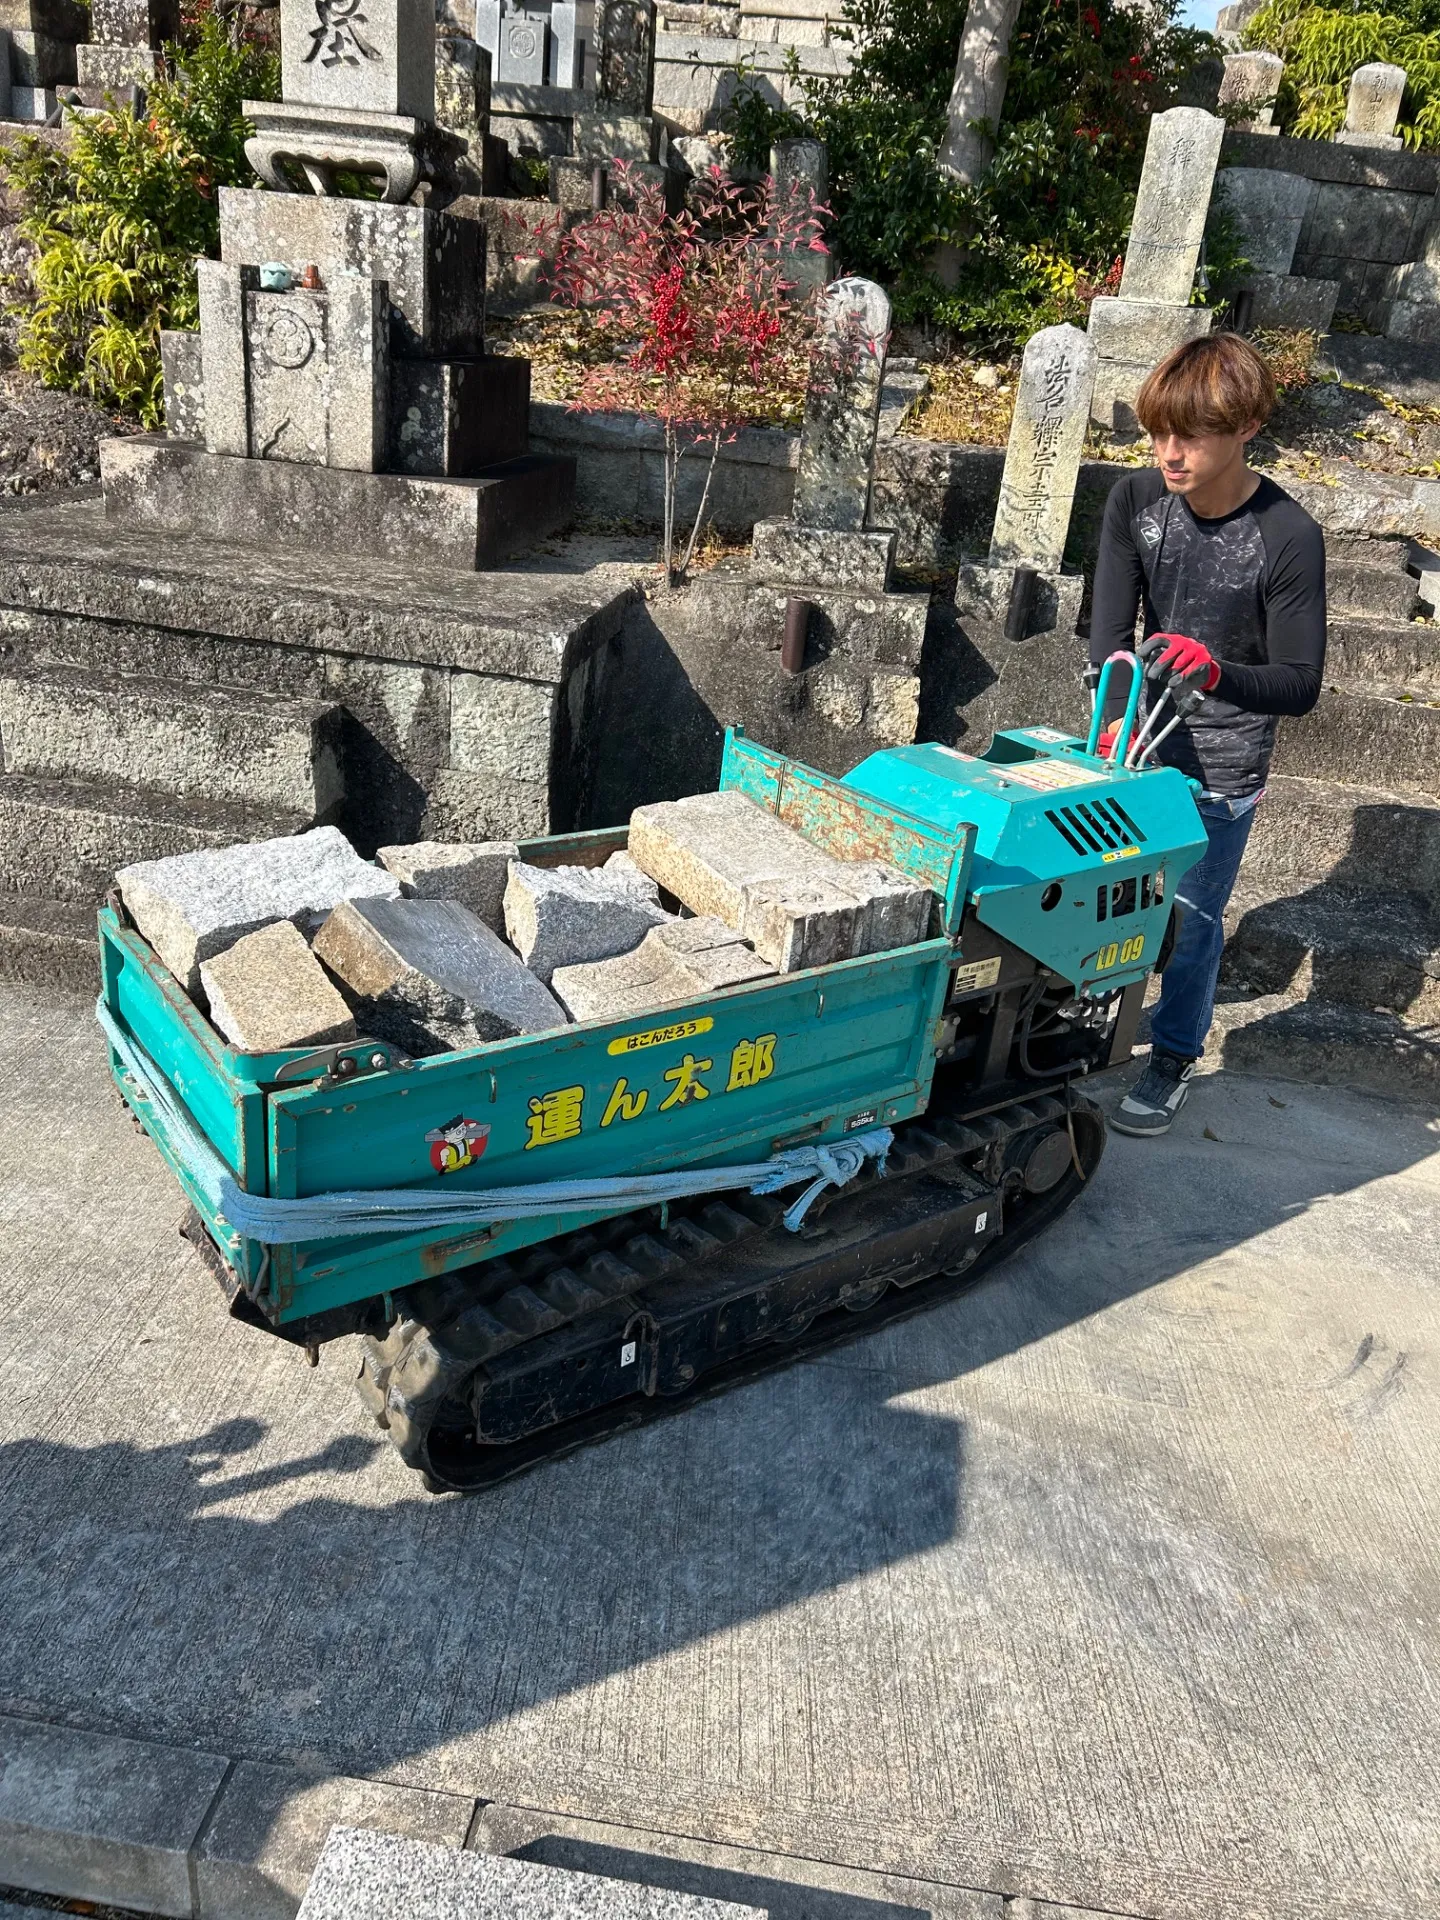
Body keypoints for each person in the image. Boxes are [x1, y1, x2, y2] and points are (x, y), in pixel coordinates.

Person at [1087, 332, 1327, 1137]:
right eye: (1159, 432)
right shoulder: (1135, 502)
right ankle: (1088, 1033)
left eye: (1190, 435)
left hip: (1223, 763)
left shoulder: (1287, 534)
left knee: (1190, 917)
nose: (1169, 453)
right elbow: (1110, 631)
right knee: (1104, 904)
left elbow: (1299, 683)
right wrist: (1113, 706)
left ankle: (1174, 1054)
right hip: (1134, 744)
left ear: (1247, 427)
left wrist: (1217, 671)